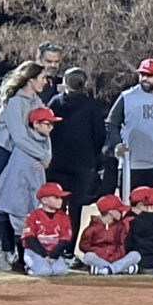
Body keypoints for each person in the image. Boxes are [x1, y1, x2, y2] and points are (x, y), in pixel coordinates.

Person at [0, 71, 56, 271]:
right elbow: (19, 136)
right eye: (42, 78)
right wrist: (43, 155)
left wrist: (47, 154)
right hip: (3, 152)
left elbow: (45, 131)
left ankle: (15, 251)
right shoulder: (15, 102)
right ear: (30, 79)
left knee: (24, 204)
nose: (46, 82)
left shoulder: (37, 101)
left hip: (23, 155)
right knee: (2, 206)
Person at [41, 66, 109, 242]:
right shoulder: (92, 106)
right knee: (75, 208)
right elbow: (100, 135)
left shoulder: (55, 103)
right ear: (84, 84)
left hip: (56, 163)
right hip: (82, 164)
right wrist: (93, 157)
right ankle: (69, 250)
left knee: (56, 207)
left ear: (65, 82)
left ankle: (53, 244)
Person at [104, 58, 153, 197]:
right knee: (129, 211)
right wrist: (117, 144)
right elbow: (111, 123)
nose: (145, 78)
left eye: (150, 75)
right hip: (130, 164)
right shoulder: (127, 96)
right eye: (142, 75)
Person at [19, 181, 77, 276]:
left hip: (54, 253)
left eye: (61, 198)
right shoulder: (33, 216)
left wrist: (53, 255)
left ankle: (41, 266)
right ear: (44, 200)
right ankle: (29, 268)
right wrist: (44, 255)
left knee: (61, 271)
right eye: (56, 197)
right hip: (35, 252)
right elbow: (30, 239)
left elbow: (65, 240)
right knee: (44, 272)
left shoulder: (63, 217)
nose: (60, 200)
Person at [77, 191, 137, 273]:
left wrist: (116, 256)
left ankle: (106, 270)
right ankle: (120, 269)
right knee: (88, 256)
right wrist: (100, 252)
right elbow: (84, 246)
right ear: (111, 212)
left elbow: (123, 244)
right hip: (100, 258)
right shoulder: (92, 228)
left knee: (135, 255)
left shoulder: (120, 226)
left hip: (117, 258)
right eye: (119, 210)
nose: (121, 213)